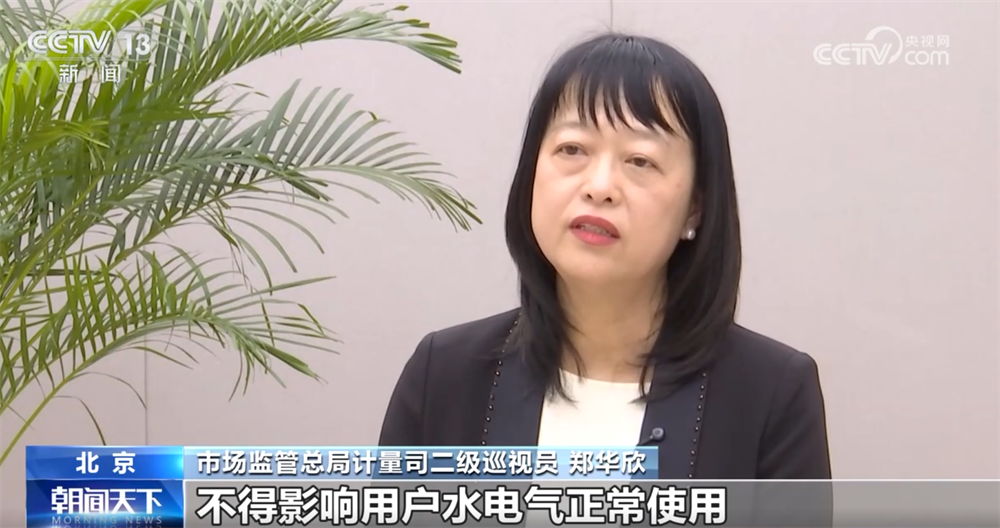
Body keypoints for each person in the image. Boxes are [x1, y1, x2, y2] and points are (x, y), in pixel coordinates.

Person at [379, 32, 832, 481]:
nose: (599, 187)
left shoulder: (770, 395)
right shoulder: (446, 375)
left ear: (695, 208)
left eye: (640, 160)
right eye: (572, 149)